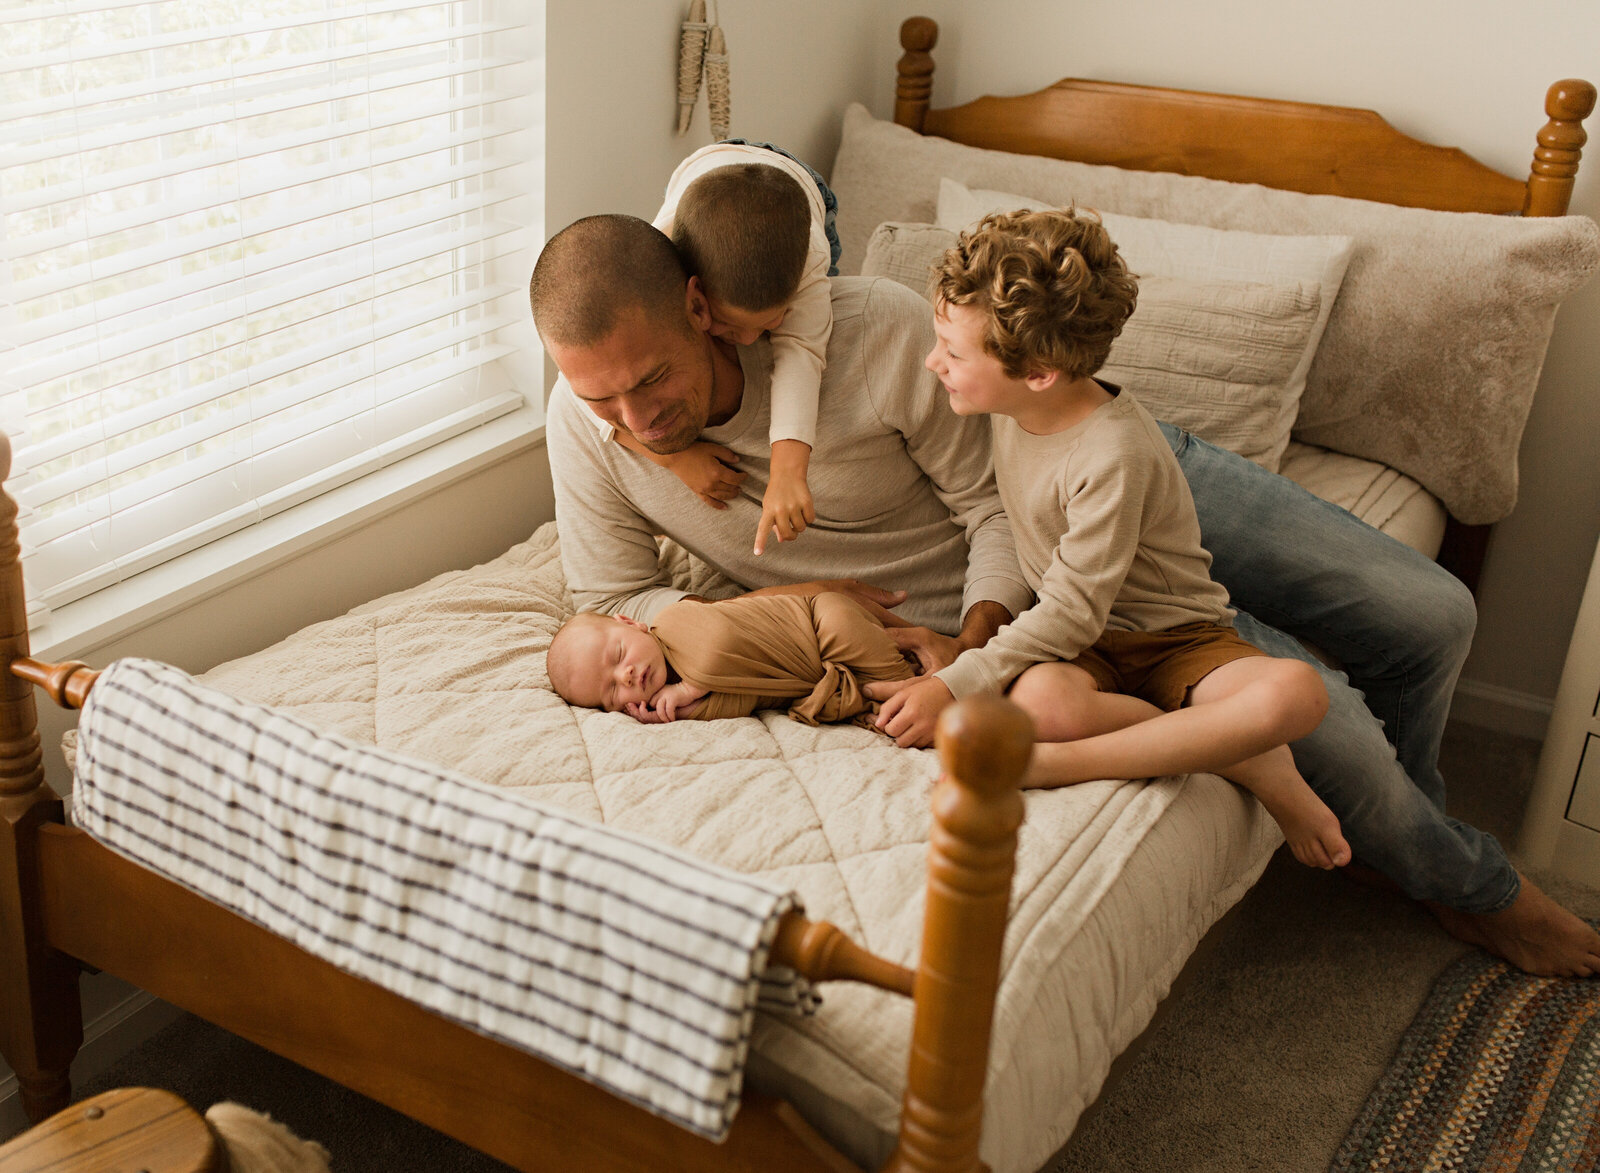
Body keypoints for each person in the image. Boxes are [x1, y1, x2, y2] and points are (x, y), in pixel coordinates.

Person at [528, 212, 1600, 977]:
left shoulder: (874, 336)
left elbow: (993, 505)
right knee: (1336, 741)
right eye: (598, 394)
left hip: (1093, 480)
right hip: (1074, 573)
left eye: (650, 379)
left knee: (1431, 614)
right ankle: (1466, 885)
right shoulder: (589, 426)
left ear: (700, 308)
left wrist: (979, 638)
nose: (634, 415)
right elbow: (616, 592)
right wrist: (706, 618)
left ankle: (1400, 833)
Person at [866, 207, 1347, 870]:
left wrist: (955, 682)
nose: (931, 361)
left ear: (1038, 372)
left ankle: (1057, 766)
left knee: (1299, 694)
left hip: (1172, 637)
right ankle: (1249, 763)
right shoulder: (1005, 405)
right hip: (1084, 648)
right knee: (1040, 701)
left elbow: (1070, 610)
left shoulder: (1113, 452)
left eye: (950, 350)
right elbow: (1063, 621)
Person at [587, 142, 840, 556]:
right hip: (705, 174)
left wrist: (787, 473)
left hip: (798, 192)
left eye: (770, 321)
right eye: (726, 325)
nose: (746, 341)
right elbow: (583, 374)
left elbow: (802, 355)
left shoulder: (810, 263)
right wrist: (676, 459)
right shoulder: (661, 256)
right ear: (695, 295)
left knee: (822, 333)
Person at [546, 591, 914, 726]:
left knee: (906, 688)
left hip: (822, 625)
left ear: (631, 624)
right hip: (817, 672)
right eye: (611, 692)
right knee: (892, 710)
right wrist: (688, 711)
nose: (624, 676)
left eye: (619, 655)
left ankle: (944, 671)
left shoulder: (674, 621)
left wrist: (689, 689)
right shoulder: (674, 696)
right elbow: (750, 695)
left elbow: (724, 645)